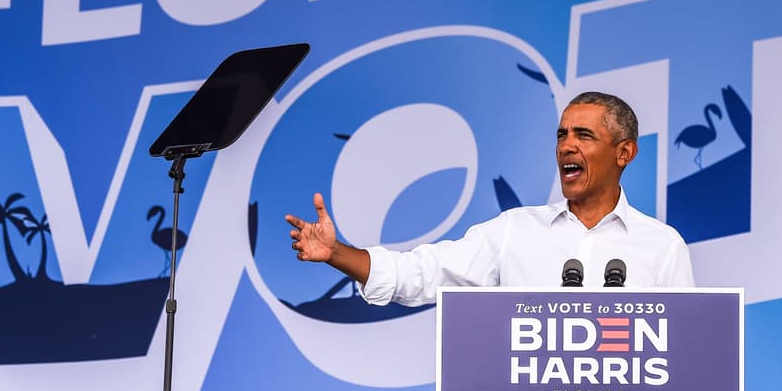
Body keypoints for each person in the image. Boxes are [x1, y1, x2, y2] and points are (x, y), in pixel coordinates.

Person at [286, 91, 694, 303]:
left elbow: (687, 355)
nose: (566, 146)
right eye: (561, 134)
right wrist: (336, 252)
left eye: (584, 136)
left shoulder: (661, 246)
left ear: (624, 153)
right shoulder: (515, 231)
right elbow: (422, 273)